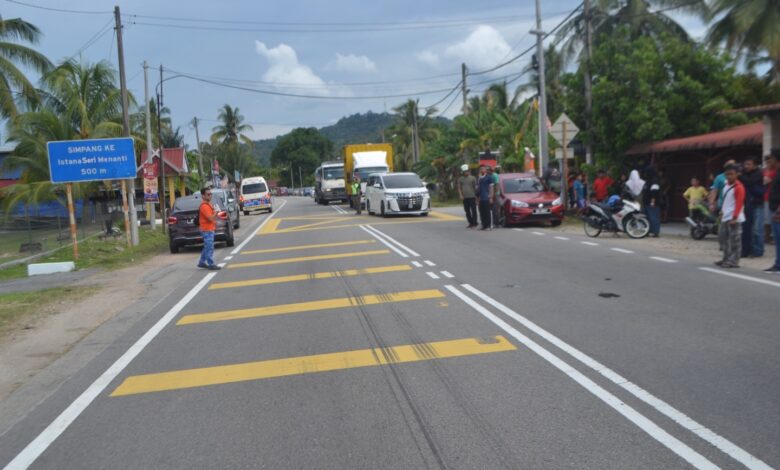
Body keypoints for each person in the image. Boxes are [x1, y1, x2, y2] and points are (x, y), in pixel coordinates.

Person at [716, 164, 746, 268]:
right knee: (723, 238)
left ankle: (734, 261)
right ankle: (726, 258)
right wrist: (721, 213)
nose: (729, 176)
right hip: (725, 216)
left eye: (731, 174)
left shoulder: (739, 187)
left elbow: (739, 203)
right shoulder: (726, 185)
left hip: (734, 218)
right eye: (727, 174)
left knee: (735, 240)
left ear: (737, 174)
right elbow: (725, 201)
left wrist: (734, 217)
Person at [738, 156, 764, 258]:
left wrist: (740, 176)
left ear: (755, 165)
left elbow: (749, 182)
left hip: (757, 204)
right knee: (748, 228)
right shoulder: (745, 174)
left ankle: (758, 251)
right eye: (745, 164)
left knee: (757, 229)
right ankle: (749, 249)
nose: (746, 166)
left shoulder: (758, 173)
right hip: (748, 204)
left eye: (749, 164)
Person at [198, 188, 221, 270]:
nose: (210, 196)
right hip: (206, 230)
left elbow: (212, 219)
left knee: (207, 246)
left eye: (211, 194)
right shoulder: (204, 206)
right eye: (208, 194)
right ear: (203, 196)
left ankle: (202, 262)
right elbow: (210, 218)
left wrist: (215, 222)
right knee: (209, 247)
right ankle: (211, 264)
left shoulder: (209, 205)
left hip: (209, 228)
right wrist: (216, 212)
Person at [765, 150, 780, 273]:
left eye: (771, 158)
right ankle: (778, 263)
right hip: (773, 208)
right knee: (777, 238)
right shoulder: (776, 173)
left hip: (777, 210)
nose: (770, 161)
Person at [457, 164, 478, 228]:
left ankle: (475, 223)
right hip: (465, 197)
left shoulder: (473, 178)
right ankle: (470, 222)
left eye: (467, 171)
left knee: (473, 210)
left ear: (469, 171)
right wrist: (460, 195)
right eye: (465, 171)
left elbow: (475, 188)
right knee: (467, 211)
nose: (466, 172)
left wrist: (477, 197)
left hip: (472, 196)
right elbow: (459, 188)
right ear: (463, 172)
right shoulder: (460, 179)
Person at [764, 153, 778, 246]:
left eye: (770, 161)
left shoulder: (775, 171)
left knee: (771, 218)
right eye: (767, 161)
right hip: (765, 196)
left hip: (771, 197)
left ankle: (771, 237)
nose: (768, 163)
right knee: (766, 219)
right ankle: (767, 237)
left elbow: (765, 181)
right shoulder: (765, 170)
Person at [643, 167, 661, 237]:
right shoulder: (647, 181)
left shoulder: (655, 181)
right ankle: (648, 230)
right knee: (647, 217)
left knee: (653, 217)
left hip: (652, 203)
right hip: (646, 203)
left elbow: (654, 192)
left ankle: (655, 232)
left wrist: (653, 202)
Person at [477, 165, 494, 230]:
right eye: (481, 169)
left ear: (486, 170)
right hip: (481, 198)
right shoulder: (479, 178)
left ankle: (488, 226)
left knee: (487, 212)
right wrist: (477, 198)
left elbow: (491, 188)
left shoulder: (489, 177)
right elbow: (478, 189)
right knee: (482, 212)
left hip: (487, 197)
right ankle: (483, 225)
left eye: (483, 169)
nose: (482, 170)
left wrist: (491, 197)